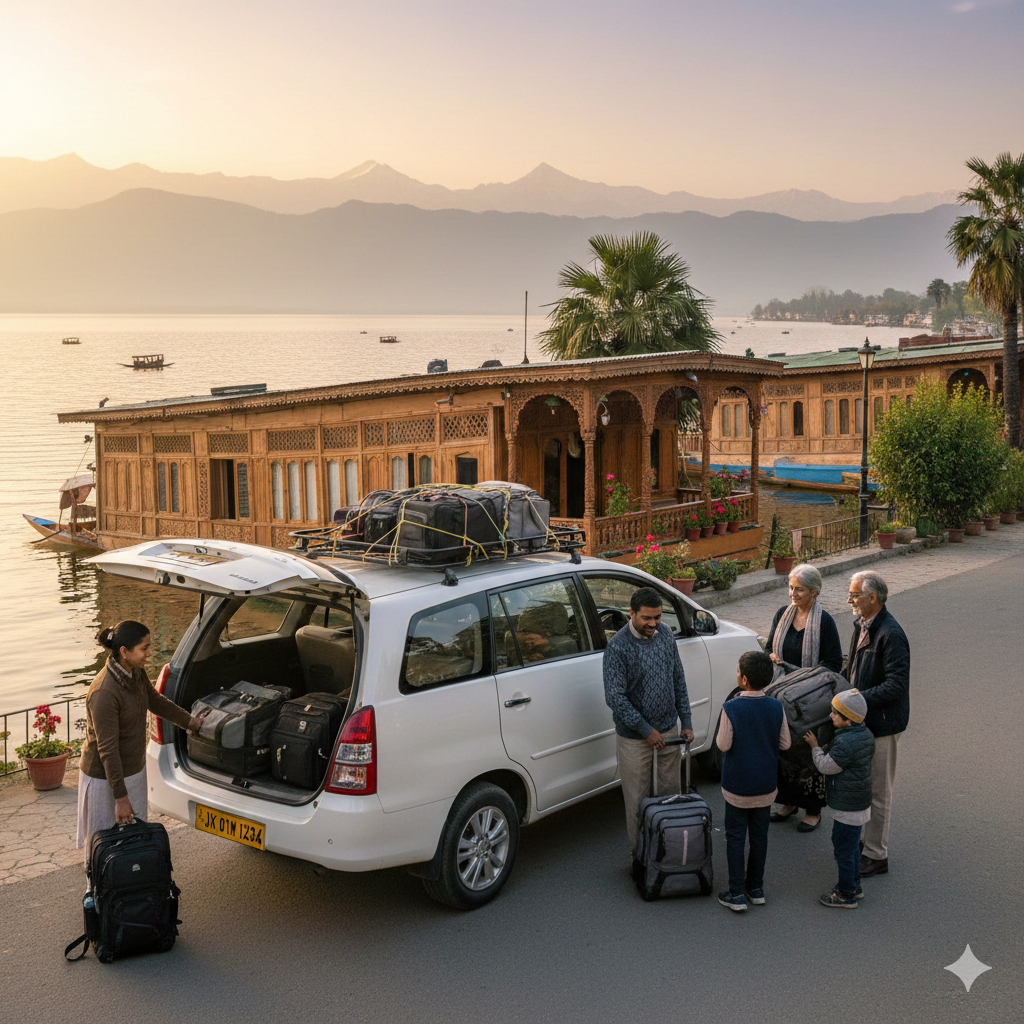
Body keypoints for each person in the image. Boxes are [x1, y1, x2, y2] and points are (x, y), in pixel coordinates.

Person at [77, 621, 201, 856]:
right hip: (105, 778)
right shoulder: (104, 692)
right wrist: (120, 798)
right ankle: (93, 891)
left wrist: (190, 722)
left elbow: (154, 701)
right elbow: (108, 750)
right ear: (124, 652)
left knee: (135, 840)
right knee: (102, 843)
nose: (149, 653)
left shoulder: (135, 673)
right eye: (144, 648)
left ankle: (134, 886)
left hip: (133, 770)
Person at [603, 587, 693, 856]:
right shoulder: (617, 648)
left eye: (657, 617)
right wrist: (646, 730)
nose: (653, 624)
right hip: (635, 739)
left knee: (670, 797)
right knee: (638, 802)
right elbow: (615, 698)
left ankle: (671, 856)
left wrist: (686, 720)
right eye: (646, 619)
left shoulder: (665, 634)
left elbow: (678, 677)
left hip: (669, 730)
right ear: (631, 613)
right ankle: (641, 859)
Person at [767, 563, 843, 833]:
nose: (793, 593)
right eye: (790, 587)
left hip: (810, 699)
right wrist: (772, 658)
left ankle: (812, 810)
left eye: (799, 589)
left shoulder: (824, 622)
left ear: (814, 591)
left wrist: (807, 676)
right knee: (785, 751)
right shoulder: (782, 615)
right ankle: (788, 802)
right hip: (784, 695)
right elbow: (768, 647)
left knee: (810, 753)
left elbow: (834, 663)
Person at [844, 570, 910, 879]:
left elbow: (896, 685)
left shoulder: (891, 634)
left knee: (879, 792)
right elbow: (852, 667)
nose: (850, 599)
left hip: (882, 725)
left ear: (873, 598)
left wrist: (855, 698)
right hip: (862, 720)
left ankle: (876, 855)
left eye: (855, 594)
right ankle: (865, 843)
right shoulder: (861, 625)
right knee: (864, 787)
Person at [715, 651, 792, 912]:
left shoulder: (731, 708)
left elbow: (723, 744)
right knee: (760, 837)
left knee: (736, 837)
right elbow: (786, 743)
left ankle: (736, 893)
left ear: (744, 679)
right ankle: (756, 888)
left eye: (738, 672)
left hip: (737, 787)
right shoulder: (775, 706)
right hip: (765, 786)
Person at [803, 689, 875, 908]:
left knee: (843, 849)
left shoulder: (845, 745)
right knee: (852, 847)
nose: (830, 716)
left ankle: (846, 894)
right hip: (859, 803)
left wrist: (815, 747)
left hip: (847, 806)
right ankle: (854, 885)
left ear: (849, 720)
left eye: (835, 713)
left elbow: (825, 767)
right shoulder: (866, 735)